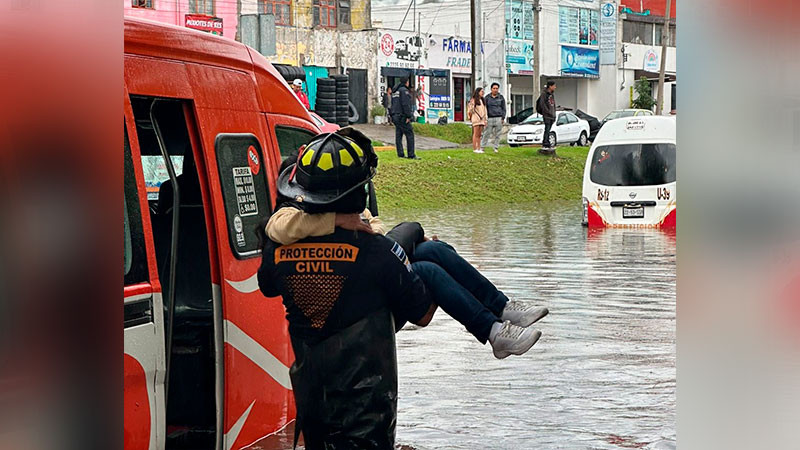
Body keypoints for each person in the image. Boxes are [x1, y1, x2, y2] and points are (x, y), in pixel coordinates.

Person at [269, 128, 548, 360]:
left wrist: (361, 225)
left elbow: (373, 227)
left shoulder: (348, 217)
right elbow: (277, 227)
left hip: (362, 289)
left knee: (431, 250)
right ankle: (492, 330)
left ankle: (501, 310)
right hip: (357, 312)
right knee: (425, 266)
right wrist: (338, 221)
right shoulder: (296, 215)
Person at [257, 130, 437, 449]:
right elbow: (422, 313)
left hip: (313, 409)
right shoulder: (377, 252)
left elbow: (268, 286)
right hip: (367, 421)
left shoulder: (277, 253)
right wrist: (427, 274)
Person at [390, 77, 417, 159]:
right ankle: (411, 154)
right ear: (407, 82)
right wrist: (409, 116)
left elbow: (392, 104)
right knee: (410, 134)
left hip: (395, 115)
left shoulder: (395, 91)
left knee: (399, 134)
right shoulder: (404, 91)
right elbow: (405, 104)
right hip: (402, 116)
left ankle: (400, 154)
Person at [482, 82, 507, 153]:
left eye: (497, 88)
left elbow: (504, 108)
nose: (495, 90)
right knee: (486, 133)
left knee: (498, 134)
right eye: (494, 88)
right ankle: (482, 147)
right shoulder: (487, 97)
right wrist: (485, 118)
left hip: (498, 117)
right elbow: (484, 108)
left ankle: (496, 147)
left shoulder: (501, 97)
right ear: (491, 89)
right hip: (489, 118)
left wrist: (503, 118)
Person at [536, 80, 557, 151]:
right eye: (554, 86)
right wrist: (547, 112)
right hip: (547, 115)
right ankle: (545, 143)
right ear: (550, 86)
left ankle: (547, 142)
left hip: (552, 115)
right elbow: (542, 104)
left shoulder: (552, 94)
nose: (555, 87)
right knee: (547, 129)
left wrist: (554, 114)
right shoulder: (544, 94)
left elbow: (553, 105)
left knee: (549, 129)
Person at [468, 87, 487, 153]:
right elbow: (470, 110)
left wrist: (485, 119)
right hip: (476, 118)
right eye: (481, 91)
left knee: (479, 134)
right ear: (478, 92)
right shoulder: (473, 100)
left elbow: (485, 110)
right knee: (475, 134)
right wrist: (472, 107)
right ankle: (475, 148)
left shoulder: (482, 100)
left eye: (483, 91)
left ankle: (479, 148)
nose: (483, 93)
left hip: (482, 119)